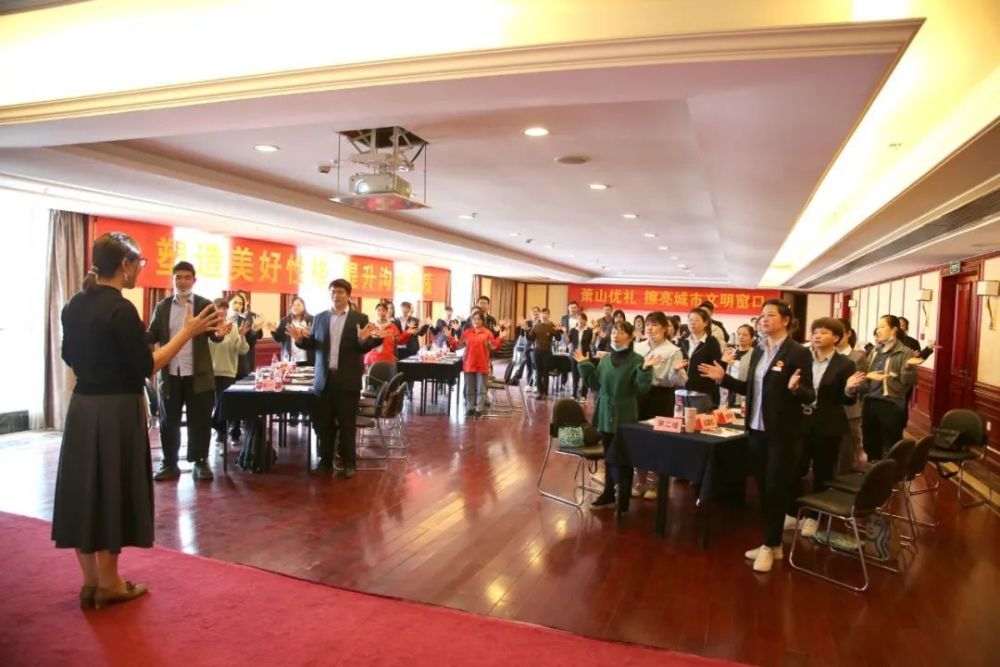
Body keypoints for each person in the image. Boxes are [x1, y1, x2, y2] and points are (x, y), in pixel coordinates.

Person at [54, 232, 220, 610]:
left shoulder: (75, 304)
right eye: (139, 264)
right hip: (118, 409)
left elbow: (68, 356)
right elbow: (148, 366)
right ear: (125, 265)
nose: (139, 271)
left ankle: (91, 582)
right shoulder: (121, 309)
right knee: (113, 489)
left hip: (82, 408)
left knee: (85, 490)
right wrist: (187, 332)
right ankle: (111, 583)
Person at [699, 299, 814, 573]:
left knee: (776, 488)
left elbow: (810, 394)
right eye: (762, 315)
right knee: (763, 486)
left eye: (770, 315)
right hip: (756, 430)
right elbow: (750, 388)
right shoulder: (760, 350)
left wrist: (796, 389)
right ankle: (774, 545)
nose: (763, 319)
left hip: (783, 434)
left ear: (785, 320)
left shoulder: (798, 352)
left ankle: (769, 544)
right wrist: (723, 378)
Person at [285, 279, 380, 478]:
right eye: (332, 292)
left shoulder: (359, 318)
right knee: (323, 424)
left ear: (348, 295)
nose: (335, 295)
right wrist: (299, 340)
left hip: (347, 380)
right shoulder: (320, 318)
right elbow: (313, 344)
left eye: (340, 292)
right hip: (324, 381)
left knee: (347, 425)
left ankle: (349, 464)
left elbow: (364, 347)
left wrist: (363, 339)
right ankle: (325, 461)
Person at [147, 261, 225, 482]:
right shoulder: (162, 307)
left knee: (200, 420)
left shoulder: (205, 305)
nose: (182, 281)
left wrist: (220, 334)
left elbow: (214, 334)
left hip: (198, 375)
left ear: (194, 280)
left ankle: (200, 461)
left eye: (187, 277)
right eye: (178, 277)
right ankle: (169, 463)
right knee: (168, 422)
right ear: (173, 280)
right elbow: (152, 334)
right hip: (170, 374)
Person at [575, 321, 655, 510]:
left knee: (624, 459)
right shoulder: (606, 360)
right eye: (613, 333)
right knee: (609, 456)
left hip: (625, 412)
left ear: (630, 337)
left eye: (621, 332)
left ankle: (624, 498)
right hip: (605, 412)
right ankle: (609, 493)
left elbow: (641, 387)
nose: (615, 336)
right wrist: (584, 364)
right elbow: (595, 383)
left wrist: (645, 370)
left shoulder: (636, 360)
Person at [791, 318, 860, 537]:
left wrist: (849, 390)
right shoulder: (802, 359)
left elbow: (847, 400)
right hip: (801, 422)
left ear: (836, 338)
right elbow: (796, 389)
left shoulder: (845, 364)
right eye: (815, 332)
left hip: (828, 425)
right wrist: (794, 389)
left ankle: (814, 516)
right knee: (795, 468)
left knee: (822, 472)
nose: (817, 336)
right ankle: (793, 512)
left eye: (823, 332)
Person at [633, 312, 688, 500]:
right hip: (640, 395)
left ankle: (655, 484)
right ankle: (640, 481)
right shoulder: (638, 347)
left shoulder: (673, 350)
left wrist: (676, 371)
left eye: (655, 325)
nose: (650, 328)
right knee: (639, 438)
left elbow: (679, 381)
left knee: (658, 440)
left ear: (665, 328)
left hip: (662, 396)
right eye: (648, 324)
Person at [849, 314, 918, 462]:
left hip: (891, 403)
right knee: (870, 443)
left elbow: (909, 382)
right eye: (878, 327)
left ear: (894, 329)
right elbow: (866, 373)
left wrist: (908, 368)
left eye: (882, 327)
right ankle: (872, 470)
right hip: (870, 401)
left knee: (890, 446)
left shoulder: (905, 352)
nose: (878, 330)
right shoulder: (875, 350)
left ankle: (890, 473)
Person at [444, 311, 507, 417]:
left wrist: (500, 338)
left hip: (482, 364)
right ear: (471, 320)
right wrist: (450, 337)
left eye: (478, 319)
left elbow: (493, 346)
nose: (476, 321)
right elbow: (458, 345)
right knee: (469, 388)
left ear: (482, 320)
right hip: (469, 364)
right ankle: (470, 408)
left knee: (481, 389)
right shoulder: (467, 333)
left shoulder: (487, 333)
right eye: (474, 319)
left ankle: (479, 409)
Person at [208, 297, 250, 446]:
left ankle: (220, 433)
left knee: (222, 403)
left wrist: (242, 336)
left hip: (228, 372)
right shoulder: (208, 327)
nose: (223, 310)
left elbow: (242, 350)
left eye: (225, 308)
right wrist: (218, 335)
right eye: (220, 307)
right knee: (210, 405)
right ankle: (215, 430)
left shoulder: (232, 328)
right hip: (209, 372)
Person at [836, 318, 868, 472]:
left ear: (848, 334)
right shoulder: (827, 355)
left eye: (839, 333)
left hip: (849, 412)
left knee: (846, 454)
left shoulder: (857, 357)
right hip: (829, 409)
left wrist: (852, 386)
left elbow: (865, 386)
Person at [679, 307, 725, 407]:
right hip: (682, 392)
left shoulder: (712, 343)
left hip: (703, 393)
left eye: (696, 320)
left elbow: (717, 367)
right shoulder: (683, 341)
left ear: (705, 323)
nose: (692, 323)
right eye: (690, 320)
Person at [527, 307, 563, 399]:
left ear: (548, 315)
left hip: (547, 351)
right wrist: (526, 330)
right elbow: (530, 338)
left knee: (546, 372)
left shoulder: (551, 325)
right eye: (542, 313)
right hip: (537, 351)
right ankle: (539, 393)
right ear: (540, 315)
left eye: (546, 313)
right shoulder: (536, 325)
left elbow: (559, 338)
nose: (544, 315)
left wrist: (559, 330)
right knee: (538, 373)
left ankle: (545, 393)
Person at [364, 301, 411, 367]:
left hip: (387, 359)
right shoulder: (370, 326)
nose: (381, 312)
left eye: (383, 310)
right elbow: (364, 343)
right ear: (375, 312)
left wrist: (407, 333)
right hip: (371, 359)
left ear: (386, 312)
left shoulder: (392, 327)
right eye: (378, 310)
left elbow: (399, 340)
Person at [271, 295, 315, 365]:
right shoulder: (285, 321)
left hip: (307, 358)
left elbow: (315, 339)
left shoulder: (312, 320)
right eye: (293, 305)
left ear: (304, 306)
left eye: (298, 305)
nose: (296, 307)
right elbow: (278, 339)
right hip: (289, 359)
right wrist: (273, 331)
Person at [722, 324, 755, 407]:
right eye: (739, 334)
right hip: (729, 394)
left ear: (751, 338)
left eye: (745, 335)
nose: (741, 337)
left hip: (744, 394)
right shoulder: (730, 353)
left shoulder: (754, 354)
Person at [568, 312, 594, 401]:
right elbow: (568, 341)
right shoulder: (573, 330)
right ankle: (574, 394)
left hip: (585, 355)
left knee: (584, 375)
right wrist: (564, 332)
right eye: (579, 318)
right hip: (575, 355)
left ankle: (583, 395)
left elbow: (592, 343)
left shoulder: (589, 330)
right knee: (575, 376)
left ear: (585, 321)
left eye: (583, 319)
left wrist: (594, 333)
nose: (581, 320)